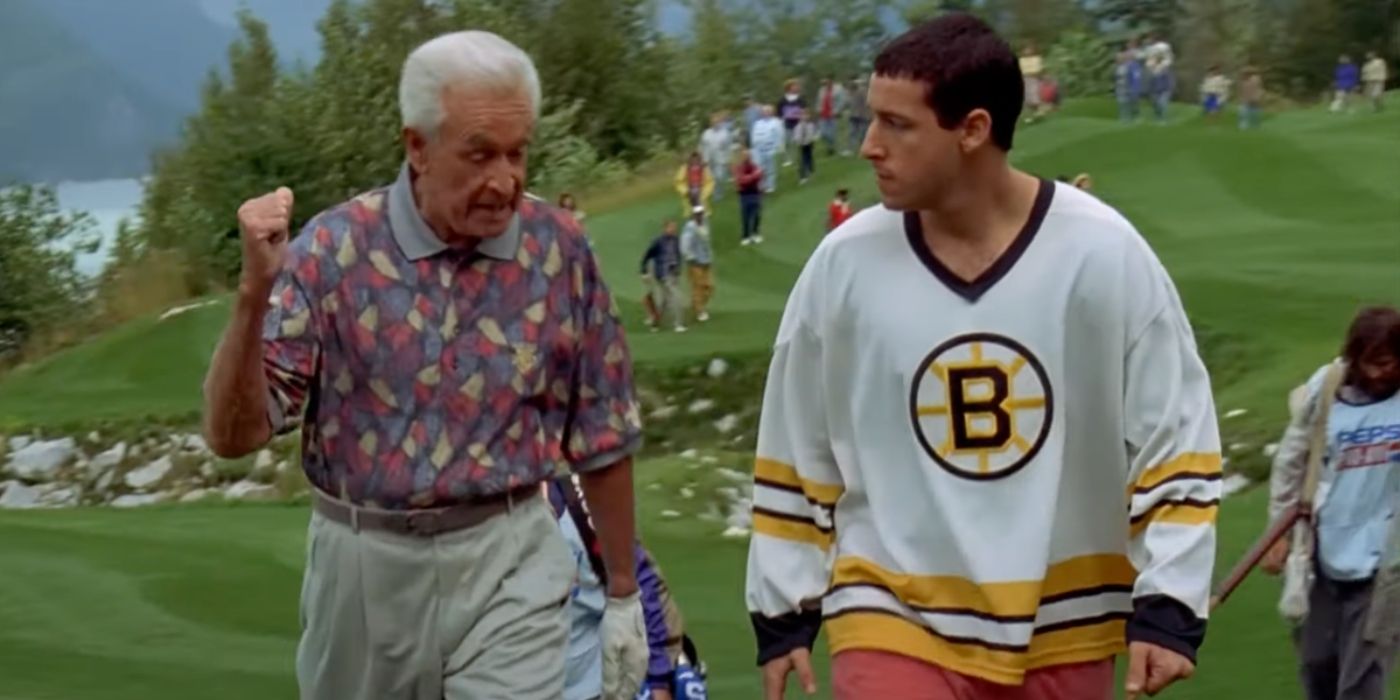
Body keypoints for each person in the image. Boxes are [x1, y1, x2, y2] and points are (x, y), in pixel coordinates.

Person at [746, 14, 1220, 700]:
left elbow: (1173, 435)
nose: (870, 146)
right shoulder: (842, 266)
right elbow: (797, 438)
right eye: (869, 119)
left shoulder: (1104, 254)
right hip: (891, 614)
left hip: (1067, 621)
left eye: (896, 125)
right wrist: (785, 605)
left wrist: (1170, 604)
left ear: (972, 130)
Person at [202, 30, 648, 700]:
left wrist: (622, 596)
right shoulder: (333, 251)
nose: (505, 180)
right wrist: (252, 293)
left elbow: (602, 430)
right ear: (417, 147)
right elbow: (234, 436)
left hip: (510, 555)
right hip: (363, 569)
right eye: (479, 155)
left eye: (518, 152)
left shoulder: (560, 252)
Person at [1262, 306, 1400, 700]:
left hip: (1386, 565)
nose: (1378, 374)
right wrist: (1278, 533)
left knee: (1360, 683)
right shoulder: (1328, 389)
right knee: (1317, 666)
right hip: (1323, 553)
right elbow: (1291, 461)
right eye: (1370, 363)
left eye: (1388, 363)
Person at [545, 474, 708, 700]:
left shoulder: (577, 501)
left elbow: (642, 580)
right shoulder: (485, 528)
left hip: (601, 679)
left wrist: (659, 677)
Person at [639, 219, 685, 333]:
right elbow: (647, 256)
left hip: (673, 273)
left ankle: (655, 322)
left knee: (664, 301)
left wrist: (678, 269)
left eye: (674, 227)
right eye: (670, 227)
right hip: (662, 274)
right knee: (676, 297)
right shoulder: (658, 241)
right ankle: (678, 324)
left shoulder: (676, 240)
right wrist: (644, 271)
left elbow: (677, 255)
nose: (673, 230)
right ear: (665, 228)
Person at [680, 206, 714, 323]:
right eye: (697, 214)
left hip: (706, 260)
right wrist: (690, 258)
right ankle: (700, 310)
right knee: (698, 287)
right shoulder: (690, 228)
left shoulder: (705, 224)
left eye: (701, 213)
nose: (700, 215)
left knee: (709, 286)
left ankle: (696, 304)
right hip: (695, 263)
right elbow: (685, 245)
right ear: (694, 215)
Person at [750, 106, 786, 194]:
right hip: (759, 149)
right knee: (760, 168)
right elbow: (754, 135)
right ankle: (762, 185)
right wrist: (754, 146)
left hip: (771, 149)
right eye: (764, 111)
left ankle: (771, 186)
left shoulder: (776, 122)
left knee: (771, 168)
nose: (765, 113)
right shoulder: (758, 123)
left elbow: (780, 135)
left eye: (767, 111)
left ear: (771, 112)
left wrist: (779, 148)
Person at [698, 113, 733, 200]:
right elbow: (701, 146)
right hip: (708, 158)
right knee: (711, 177)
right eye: (713, 122)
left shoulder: (725, 133)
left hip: (721, 158)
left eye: (717, 122)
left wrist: (728, 159)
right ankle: (716, 193)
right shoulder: (706, 133)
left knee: (719, 176)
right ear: (711, 123)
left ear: (720, 123)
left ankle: (719, 191)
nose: (715, 124)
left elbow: (728, 147)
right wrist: (701, 157)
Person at [734, 148, 764, 246]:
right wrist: (753, 176)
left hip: (755, 193)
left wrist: (751, 177)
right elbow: (742, 180)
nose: (746, 158)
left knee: (756, 215)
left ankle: (755, 233)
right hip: (745, 195)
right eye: (744, 156)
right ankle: (746, 236)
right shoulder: (739, 168)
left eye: (748, 156)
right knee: (745, 216)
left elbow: (760, 175)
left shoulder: (754, 166)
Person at [1144, 32, 1175, 123]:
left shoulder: (1164, 68)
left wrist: (1170, 88)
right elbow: (1151, 80)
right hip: (1155, 90)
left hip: (1164, 90)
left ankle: (1163, 119)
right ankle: (1158, 117)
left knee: (1162, 104)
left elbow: (1169, 79)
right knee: (1156, 105)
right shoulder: (1152, 68)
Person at [674, 151, 715, 219]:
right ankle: (694, 216)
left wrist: (704, 192)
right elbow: (678, 182)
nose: (695, 161)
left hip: (701, 193)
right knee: (692, 217)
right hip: (690, 194)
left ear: (700, 159)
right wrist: (685, 191)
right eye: (693, 159)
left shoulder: (704, 168)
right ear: (689, 160)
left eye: (697, 159)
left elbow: (710, 182)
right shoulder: (684, 168)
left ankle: (699, 219)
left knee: (701, 216)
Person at [777, 79, 806, 166]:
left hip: (799, 123)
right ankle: (788, 159)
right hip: (787, 124)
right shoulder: (782, 100)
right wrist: (783, 117)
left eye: (797, 86)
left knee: (798, 142)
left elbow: (804, 109)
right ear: (789, 88)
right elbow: (779, 112)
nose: (796, 87)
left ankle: (799, 158)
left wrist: (801, 115)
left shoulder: (800, 99)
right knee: (788, 142)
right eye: (794, 86)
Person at [816, 77, 847, 156]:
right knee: (823, 133)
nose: (825, 82)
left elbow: (842, 100)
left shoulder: (839, 89)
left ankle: (831, 148)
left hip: (833, 114)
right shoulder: (822, 90)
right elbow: (819, 101)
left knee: (833, 132)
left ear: (831, 81)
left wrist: (838, 110)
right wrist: (818, 109)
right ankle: (831, 145)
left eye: (827, 81)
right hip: (823, 114)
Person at [1114, 47, 1144, 123]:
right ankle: (1124, 118)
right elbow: (1117, 78)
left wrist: (1134, 88)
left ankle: (1135, 117)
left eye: (1127, 56)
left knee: (1132, 104)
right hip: (1121, 88)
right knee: (1122, 103)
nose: (1125, 57)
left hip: (1130, 88)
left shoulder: (1133, 66)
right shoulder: (1119, 67)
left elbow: (1136, 78)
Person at [1019, 42, 1044, 122]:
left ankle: (1038, 112)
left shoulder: (1036, 59)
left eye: (1029, 49)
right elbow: (1022, 71)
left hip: (1034, 79)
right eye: (1026, 49)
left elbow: (1037, 71)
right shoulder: (1022, 60)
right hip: (1025, 80)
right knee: (1027, 99)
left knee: (1035, 96)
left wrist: (1031, 73)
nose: (1027, 51)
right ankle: (1029, 116)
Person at [846, 75, 870, 156]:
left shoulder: (862, 91)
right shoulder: (850, 92)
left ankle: (863, 148)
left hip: (862, 115)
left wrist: (868, 114)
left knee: (863, 133)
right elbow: (849, 104)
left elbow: (867, 103)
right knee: (852, 132)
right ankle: (852, 149)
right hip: (853, 116)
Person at [793, 111, 819, 185]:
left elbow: (813, 133)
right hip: (802, 144)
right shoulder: (798, 126)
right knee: (802, 160)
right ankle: (803, 176)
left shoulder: (811, 125)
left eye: (807, 115)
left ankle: (810, 170)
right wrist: (798, 141)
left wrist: (812, 140)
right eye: (803, 115)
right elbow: (796, 136)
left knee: (809, 157)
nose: (805, 117)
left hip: (809, 143)